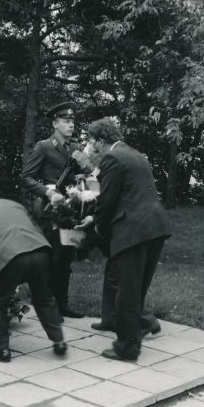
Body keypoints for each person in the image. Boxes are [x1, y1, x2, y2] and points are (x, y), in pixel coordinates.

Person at [76, 118, 170, 361]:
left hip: (133, 231)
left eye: (92, 140)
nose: (91, 145)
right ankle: (138, 328)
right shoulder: (136, 154)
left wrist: (95, 224)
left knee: (127, 290)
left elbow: (107, 201)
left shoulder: (112, 158)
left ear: (100, 140)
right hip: (155, 227)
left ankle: (127, 348)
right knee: (137, 287)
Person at [0, 188, 67, 362]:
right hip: (39, 250)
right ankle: (59, 340)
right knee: (44, 297)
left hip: (7, 256)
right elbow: (35, 227)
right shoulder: (14, 205)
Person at [21, 101, 92, 319]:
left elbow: (90, 175)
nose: (71, 125)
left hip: (71, 211)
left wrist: (83, 169)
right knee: (51, 259)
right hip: (50, 211)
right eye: (66, 121)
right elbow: (26, 178)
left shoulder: (74, 150)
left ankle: (63, 304)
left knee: (67, 259)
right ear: (55, 123)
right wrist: (47, 192)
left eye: (72, 121)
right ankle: (47, 306)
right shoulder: (44, 146)